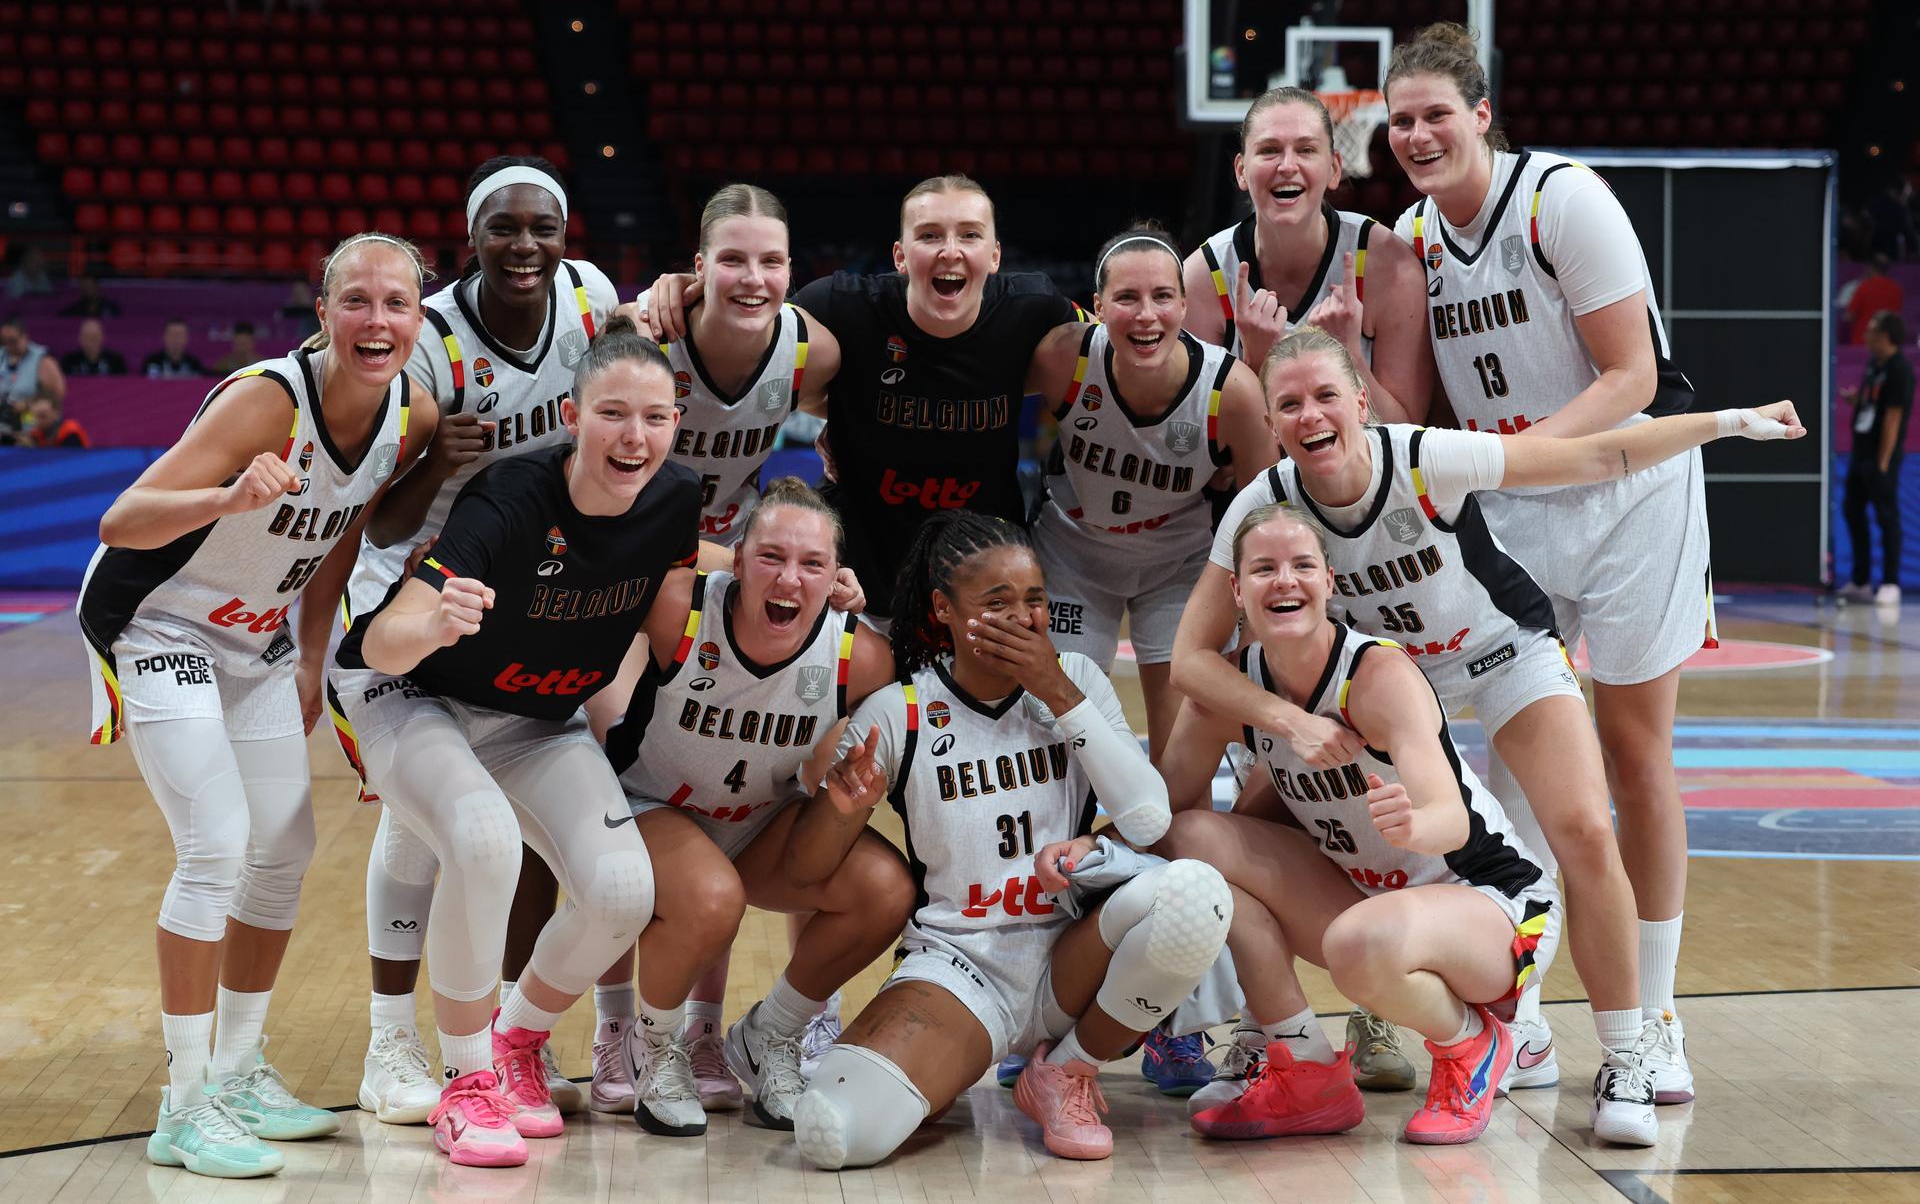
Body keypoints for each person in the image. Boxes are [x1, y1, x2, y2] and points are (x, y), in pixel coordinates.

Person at [1177, 327, 1803, 1144]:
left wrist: (1719, 424)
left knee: (1581, 826)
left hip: (1499, 650)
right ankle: (1286, 1042)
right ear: (1272, 417)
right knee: (1246, 830)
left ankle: (1626, 1052)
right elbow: (1194, 658)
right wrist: (1288, 721)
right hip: (1387, 677)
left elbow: (1593, 459)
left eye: (1326, 395)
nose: (1309, 414)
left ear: (1360, 403)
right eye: (1288, 402)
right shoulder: (1266, 507)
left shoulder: (1423, 458)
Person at [1381, 21, 1729, 1105]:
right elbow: (1421, 399)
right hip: (1515, 501)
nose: (1420, 134)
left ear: (1483, 115)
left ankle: (1657, 1018)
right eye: (1401, 121)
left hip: (1630, 491)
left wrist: (1519, 462)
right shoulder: (1408, 239)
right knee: (1522, 766)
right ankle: (1520, 1011)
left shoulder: (1561, 199)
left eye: (1438, 113)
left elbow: (1631, 373)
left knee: (1634, 755)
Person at [76, 232, 436, 1179]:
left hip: (260, 636)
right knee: (217, 846)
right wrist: (231, 496)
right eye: (355, 301)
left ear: (418, 319)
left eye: (396, 304)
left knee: (284, 847)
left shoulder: (411, 415)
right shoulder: (266, 400)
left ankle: (236, 1072)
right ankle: (183, 1104)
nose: (377, 320)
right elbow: (122, 521)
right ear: (322, 314)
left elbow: (348, 523)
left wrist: (313, 653)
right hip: (160, 621)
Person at [335, 318, 700, 1167]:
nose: (634, 436)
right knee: (484, 841)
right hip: (411, 694)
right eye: (613, 413)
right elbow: (384, 638)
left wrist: (787, 566)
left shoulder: (676, 497)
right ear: (572, 417)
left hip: (534, 720)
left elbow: (683, 566)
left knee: (621, 893)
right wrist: (432, 623)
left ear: (676, 424)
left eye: (654, 417)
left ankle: (516, 1041)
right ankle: (465, 1082)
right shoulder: (507, 499)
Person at [787, 511, 1232, 1168]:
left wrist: (1057, 690)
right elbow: (806, 870)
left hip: (1071, 954)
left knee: (1196, 892)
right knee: (834, 1132)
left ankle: (1064, 1072)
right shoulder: (901, 709)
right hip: (960, 966)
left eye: (1035, 600)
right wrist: (838, 806)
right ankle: (952, 1060)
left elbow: (1148, 822)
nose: (1025, 619)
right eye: (998, 604)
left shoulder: (1077, 675)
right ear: (943, 609)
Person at [326, 156, 623, 1128]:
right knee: (424, 819)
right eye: (505, 227)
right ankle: (393, 1040)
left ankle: (495, 1038)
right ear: (473, 239)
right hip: (413, 595)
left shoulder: (590, 299)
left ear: (564, 235)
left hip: (528, 593)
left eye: (543, 226)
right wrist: (434, 466)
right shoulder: (432, 340)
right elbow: (375, 521)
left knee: (478, 828)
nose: (526, 244)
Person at [1162, 504, 1562, 1145]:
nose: (1284, 581)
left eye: (1301, 565)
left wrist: (1413, 825)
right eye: (1263, 568)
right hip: (1371, 906)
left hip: (1494, 906)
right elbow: (1161, 815)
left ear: (1330, 581)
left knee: (1357, 939)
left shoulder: (1378, 677)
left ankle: (1472, 1046)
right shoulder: (1237, 688)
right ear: (1237, 590)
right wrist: (1085, 853)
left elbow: (1451, 821)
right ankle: (1307, 1070)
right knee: (1191, 841)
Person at [588, 478, 905, 1135]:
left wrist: (846, 804)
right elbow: (622, 556)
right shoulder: (680, 608)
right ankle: (655, 1046)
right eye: (771, 557)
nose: (790, 578)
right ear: (736, 560)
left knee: (885, 889)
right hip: (650, 806)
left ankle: (773, 1034)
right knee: (713, 897)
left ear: (836, 576)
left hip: (760, 820)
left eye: (812, 564)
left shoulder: (861, 657)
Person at [645, 174, 1085, 625]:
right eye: (930, 234)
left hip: (981, 581)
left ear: (995, 256)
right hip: (855, 584)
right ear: (899, 255)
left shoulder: (1035, 308)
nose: (950, 250)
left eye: (969, 235)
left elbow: (1116, 345)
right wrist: (684, 287)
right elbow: (753, 307)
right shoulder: (840, 307)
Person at [1024, 225, 1273, 762]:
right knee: (1057, 741)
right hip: (1073, 555)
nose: (1146, 315)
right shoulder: (1062, 358)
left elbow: (1266, 524)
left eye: (1162, 296)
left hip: (1178, 562)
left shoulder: (1231, 394)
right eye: (1126, 298)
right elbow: (971, 387)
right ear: (1096, 306)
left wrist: (1256, 640)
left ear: (1185, 305)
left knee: (1182, 764)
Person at [1183, 86, 1435, 423]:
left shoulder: (1389, 264)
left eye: (1305, 150)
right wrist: (1257, 361)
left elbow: (1405, 433)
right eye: (1270, 150)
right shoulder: (1203, 277)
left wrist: (1350, 355)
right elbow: (1210, 451)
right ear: (1241, 170)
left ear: (1334, 169)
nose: (1287, 165)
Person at [631, 184, 841, 545]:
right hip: (635, 545)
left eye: (771, 261)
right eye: (732, 260)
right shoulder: (643, 336)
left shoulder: (813, 351)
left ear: (789, 269)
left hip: (735, 549)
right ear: (700, 266)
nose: (754, 279)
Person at [1841, 310, 1912, 604]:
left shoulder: (1900, 370)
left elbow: (1893, 418)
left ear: (1885, 335)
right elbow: (1874, 403)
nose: (1866, 334)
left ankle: (1891, 582)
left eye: (1871, 329)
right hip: (1861, 452)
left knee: (1886, 517)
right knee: (1853, 511)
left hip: (1881, 457)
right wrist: (1856, 400)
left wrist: (1883, 462)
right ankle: (1860, 580)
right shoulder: (1874, 364)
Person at [2, 316, 66, 408]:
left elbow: (57, 395)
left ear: (25, 337)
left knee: (28, 421)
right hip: (2, 414)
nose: (8, 346)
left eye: (13, 341)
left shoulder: (42, 361)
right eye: (4, 342)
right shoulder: (2, 356)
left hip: (29, 415)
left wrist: (28, 403)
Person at [1846, 256, 1903, 346]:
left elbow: (1849, 316)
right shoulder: (1896, 289)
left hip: (1863, 340)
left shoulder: (1864, 287)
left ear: (1872, 269)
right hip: (1887, 342)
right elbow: (1896, 315)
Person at [14, 391, 90, 446]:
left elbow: (68, 461)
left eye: (43, 416)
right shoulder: (36, 434)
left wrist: (34, 449)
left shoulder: (70, 432)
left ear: (56, 413)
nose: (38, 421)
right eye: (35, 416)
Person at [143, 320, 212, 379]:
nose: (176, 339)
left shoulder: (194, 365)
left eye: (179, 335)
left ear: (186, 338)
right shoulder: (152, 362)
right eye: (172, 334)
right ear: (164, 337)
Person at [60, 317, 129, 376]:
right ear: (80, 339)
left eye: (95, 337)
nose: (92, 342)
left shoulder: (115, 361)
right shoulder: (69, 361)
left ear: (102, 337)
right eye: (88, 338)